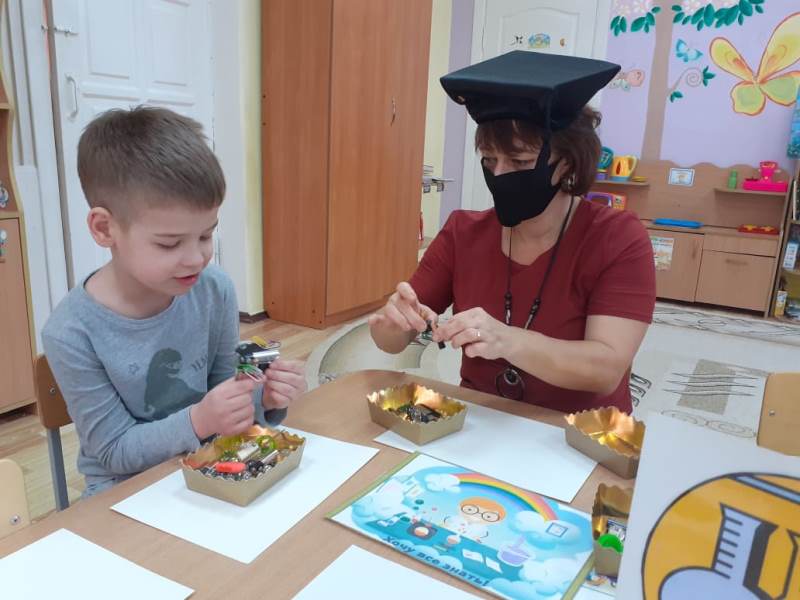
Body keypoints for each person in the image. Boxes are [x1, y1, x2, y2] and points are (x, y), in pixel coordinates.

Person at [369, 51, 655, 414]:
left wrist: (507, 340)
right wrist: (392, 323)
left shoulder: (617, 238)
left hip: (577, 430)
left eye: (520, 162)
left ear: (567, 162)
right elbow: (392, 341)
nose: (500, 175)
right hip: (482, 418)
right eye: (490, 160)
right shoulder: (463, 232)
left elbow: (605, 370)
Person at [42, 106, 307, 497]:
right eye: (169, 244)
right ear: (104, 228)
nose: (197, 258)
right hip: (124, 489)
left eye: (206, 235)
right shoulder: (70, 332)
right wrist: (200, 420)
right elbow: (113, 452)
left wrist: (264, 399)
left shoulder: (213, 289)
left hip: (212, 462)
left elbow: (226, 394)